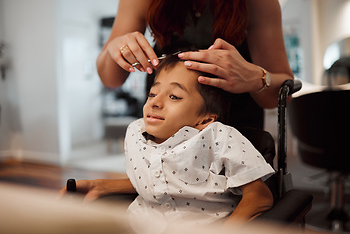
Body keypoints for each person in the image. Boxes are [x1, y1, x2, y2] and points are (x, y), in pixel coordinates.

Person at [60, 55, 274, 233]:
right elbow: (160, 180)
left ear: (206, 119)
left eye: (174, 96)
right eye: (152, 93)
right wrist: (99, 185)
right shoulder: (135, 132)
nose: (154, 102)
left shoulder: (217, 137)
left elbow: (259, 197)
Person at [96, 0, 293, 130]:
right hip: (164, 140)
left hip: (237, 132)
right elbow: (110, 78)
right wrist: (115, 47)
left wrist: (256, 78)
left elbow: (282, 89)